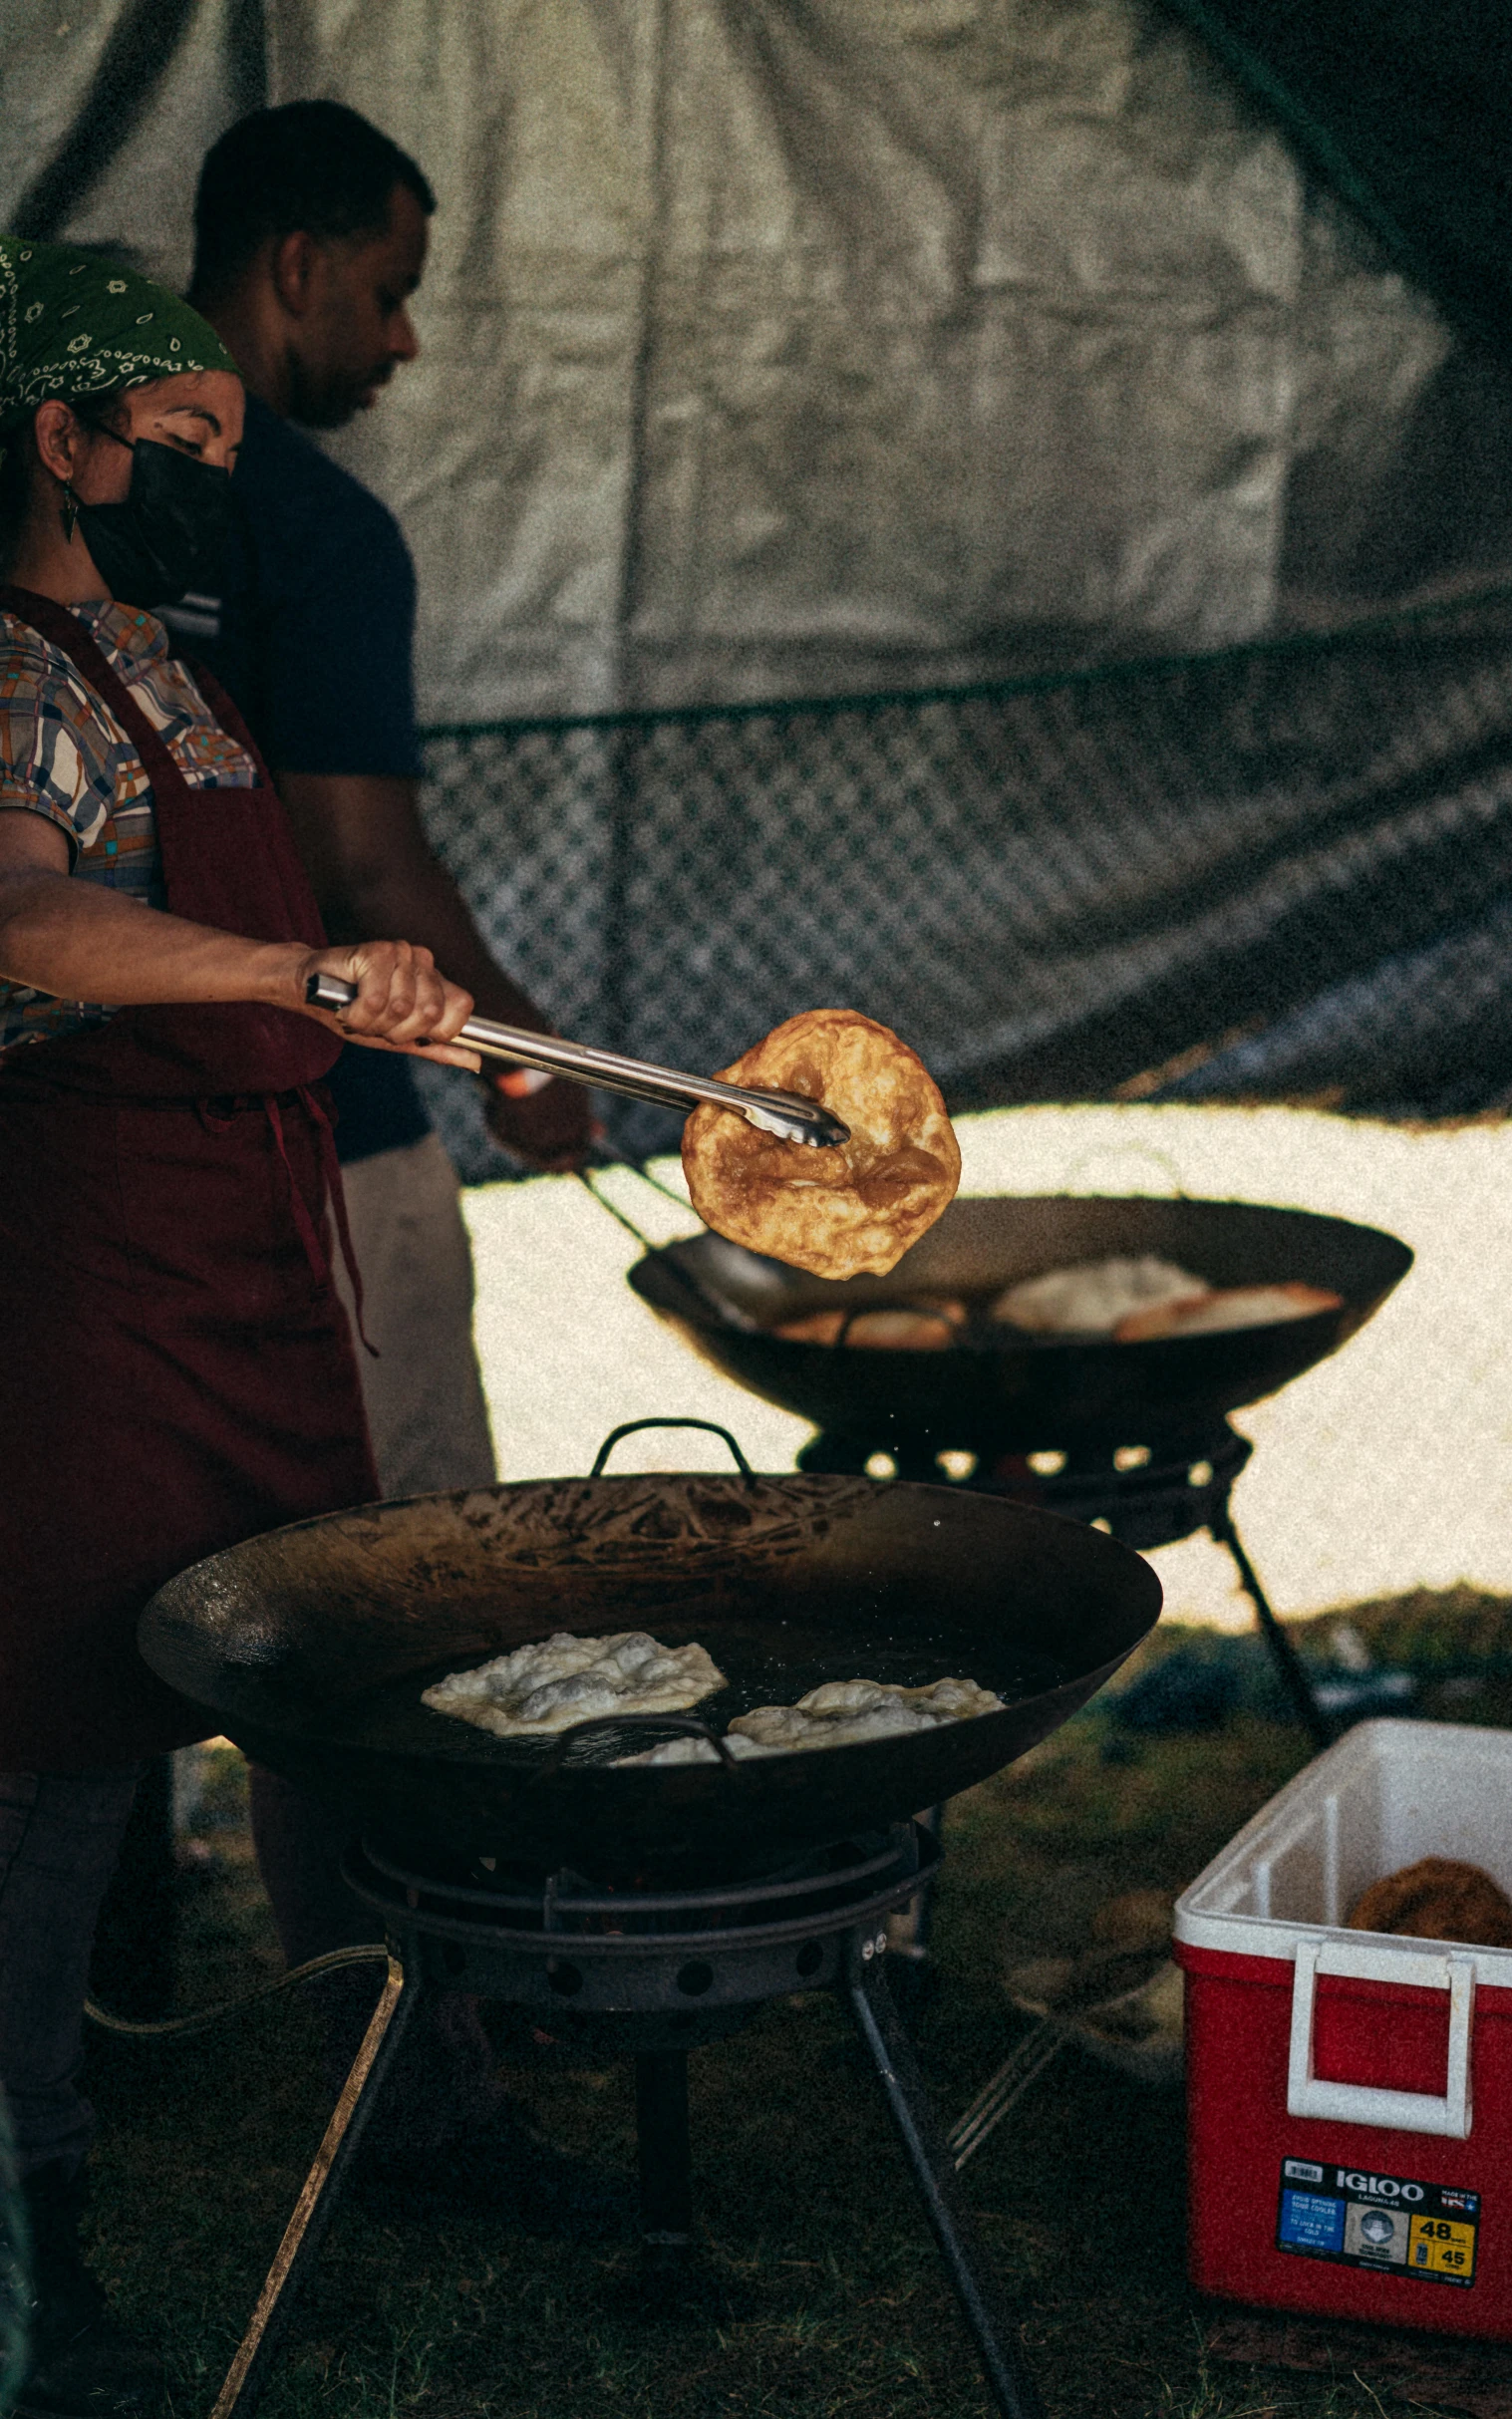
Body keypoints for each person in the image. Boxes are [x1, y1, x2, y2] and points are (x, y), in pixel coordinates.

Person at [0, 239, 597, 2419]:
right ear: (58, 439)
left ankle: (419, 2102)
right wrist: (283, 975)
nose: (204, 483)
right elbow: (24, 909)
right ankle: (31, 2248)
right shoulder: (15, 664)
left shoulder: (170, 655)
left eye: (222, 451)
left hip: (258, 1268)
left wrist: (367, 967)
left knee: (337, 1689)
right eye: (172, 442)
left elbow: (275, 903)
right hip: (82, 1284)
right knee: (56, 1763)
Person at [178, 101, 592, 1503]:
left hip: (82, 1151)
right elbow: (363, 872)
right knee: (408, 1598)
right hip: (317, 1140)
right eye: (391, 293)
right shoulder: (314, 525)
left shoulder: (47, 496)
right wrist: (526, 1061)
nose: (404, 342)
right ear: (298, 267)